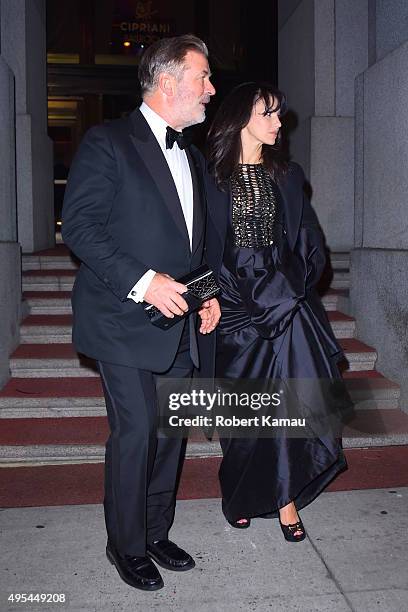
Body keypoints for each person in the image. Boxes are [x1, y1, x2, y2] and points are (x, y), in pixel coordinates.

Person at [62, 35, 223, 590]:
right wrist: (144, 281)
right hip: (119, 317)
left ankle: (156, 531)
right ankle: (125, 544)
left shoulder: (194, 155)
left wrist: (206, 296)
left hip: (177, 320)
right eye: (203, 77)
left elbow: (194, 243)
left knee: (170, 432)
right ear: (168, 80)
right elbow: (80, 228)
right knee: (135, 433)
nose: (211, 88)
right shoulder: (108, 142)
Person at [207, 82, 352, 542]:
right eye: (268, 114)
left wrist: (288, 288)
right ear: (239, 118)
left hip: (285, 302)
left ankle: (287, 502)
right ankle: (239, 491)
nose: (277, 124)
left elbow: (311, 243)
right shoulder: (208, 178)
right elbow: (198, 250)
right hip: (232, 307)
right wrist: (207, 294)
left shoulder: (288, 175)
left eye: (279, 115)